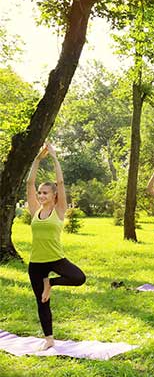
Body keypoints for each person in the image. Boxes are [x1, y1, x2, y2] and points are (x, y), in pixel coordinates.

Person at [26, 143, 86, 350]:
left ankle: (50, 282)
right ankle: (49, 339)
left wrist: (54, 157)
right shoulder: (35, 210)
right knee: (42, 302)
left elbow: (60, 182)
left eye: (45, 193)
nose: (41, 196)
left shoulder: (59, 211)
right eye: (40, 193)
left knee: (79, 278)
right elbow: (29, 182)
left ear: (53, 196)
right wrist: (37, 159)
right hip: (36, 263)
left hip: (56, 259)